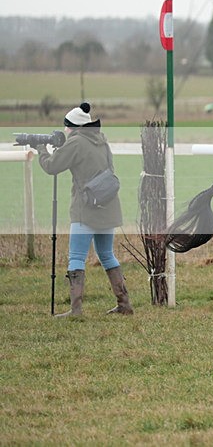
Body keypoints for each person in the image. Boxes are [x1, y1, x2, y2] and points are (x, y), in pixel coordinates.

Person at [36, 102, 132, 317]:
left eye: (65, 127)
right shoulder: (101, 141)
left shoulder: (77, 142)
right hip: (107, 205)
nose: (64, 131)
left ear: (72, 127)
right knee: (107, 254)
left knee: (76, 257)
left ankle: (76, 309)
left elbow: (52, 167)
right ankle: (124, 304)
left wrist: (41, 149)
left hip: (85, 209)